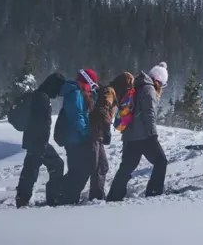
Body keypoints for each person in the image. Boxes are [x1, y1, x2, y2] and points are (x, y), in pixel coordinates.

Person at [106, 62, 169, 201]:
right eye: (163, 85)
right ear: (159, 81)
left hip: (130, 135)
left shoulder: (138, 84)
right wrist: (153, 134)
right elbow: (149, 113)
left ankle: (114, 196)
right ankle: (153, 193)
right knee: (161, 161)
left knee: (127, 167)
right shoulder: (149, 89)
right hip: (144, 136)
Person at [15, 72, 66, 208]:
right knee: (51, 166)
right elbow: (42, 123)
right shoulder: (42, 98)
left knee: (32, 169)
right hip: (38, 141)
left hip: (34, 139)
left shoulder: (38, 95)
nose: (59, 92)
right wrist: (42, 143)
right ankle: (50, 198)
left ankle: (23, 198)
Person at [57, 68, 104, 204]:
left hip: (77, 139)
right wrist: (87, 133)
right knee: (79, 171)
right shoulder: (75, 93)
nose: (92, 88)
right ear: (86, 82)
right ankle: (65, 197)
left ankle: (67, 197)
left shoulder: (79, 92)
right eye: (92, 85)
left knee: (79, 170)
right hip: (75, 140)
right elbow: (77, 116)